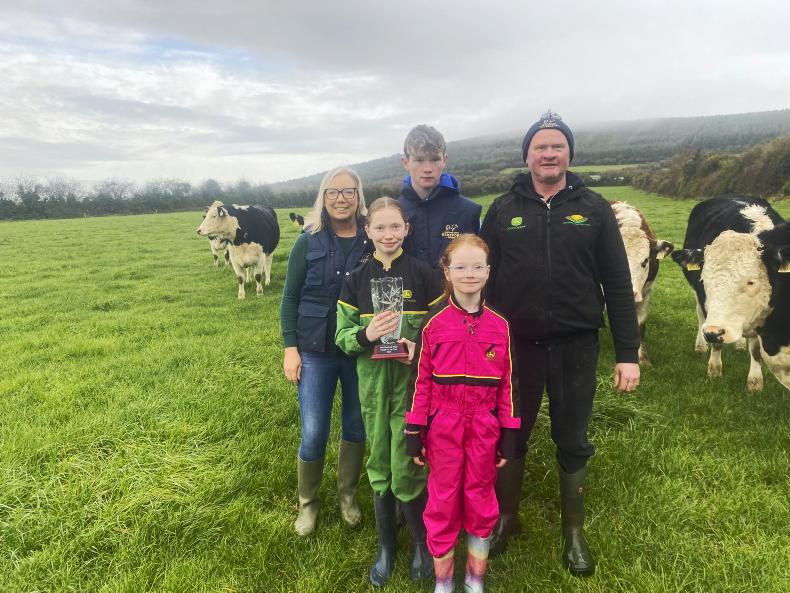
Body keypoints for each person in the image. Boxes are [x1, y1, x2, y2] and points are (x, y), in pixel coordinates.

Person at [479, 110, 641, 576]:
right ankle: (507, 521)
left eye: (557, 146)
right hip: (516, 348)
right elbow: (483, 280)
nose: (549, 154)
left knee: (572, 437)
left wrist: (627, 354)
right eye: (540, 147)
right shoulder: (504, 209)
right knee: (511, 431)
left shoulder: (593, 208)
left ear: (569, 154)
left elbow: (615, 280)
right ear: (526, 156)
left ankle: (573, 532)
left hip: (576, 344)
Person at [335, 197, 444, 587]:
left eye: (395, 227)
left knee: (409, 460)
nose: (388, 234)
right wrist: (368, 334)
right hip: (373, 388)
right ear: (368, 232)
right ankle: (386, 547)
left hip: (413, 389)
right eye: (379, 228)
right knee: (379, 460)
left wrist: (418, 351)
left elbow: (441, 332)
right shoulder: (356, 279)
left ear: (406, 230)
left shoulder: (426, 275)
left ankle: (420, 543)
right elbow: (343, 337)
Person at [404, 234, 521, 593]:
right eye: (460, 267)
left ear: (488, 271)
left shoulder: (500, 325)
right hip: (444, 425)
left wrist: (509, 433)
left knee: (481, 496)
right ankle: (443, 582)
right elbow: (420, 382)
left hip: (485, 424)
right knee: (442, 499)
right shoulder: (433, 323)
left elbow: (509, 385)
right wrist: (414, 433)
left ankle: (474, 579)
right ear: (447, 271)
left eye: (477, 267)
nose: (469, 274)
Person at [280, 167, 371, 536]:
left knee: (356, 424)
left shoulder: (372, 238)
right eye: (333, 192)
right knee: (314, 430)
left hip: (358, 350)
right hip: (314, 349)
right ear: (323, 196)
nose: (340, 198)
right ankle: (308, 504)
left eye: (348, 191)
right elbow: (289, 296)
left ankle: (347, 496)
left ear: (358, 195)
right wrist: (290, 348)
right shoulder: (308, 240)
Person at [397, 124, 482, 268]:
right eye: (419, 160)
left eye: (435, 159)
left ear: (444, 160)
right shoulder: (394, 213)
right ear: (405, 162)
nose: (428, 169)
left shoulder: (469, 212)